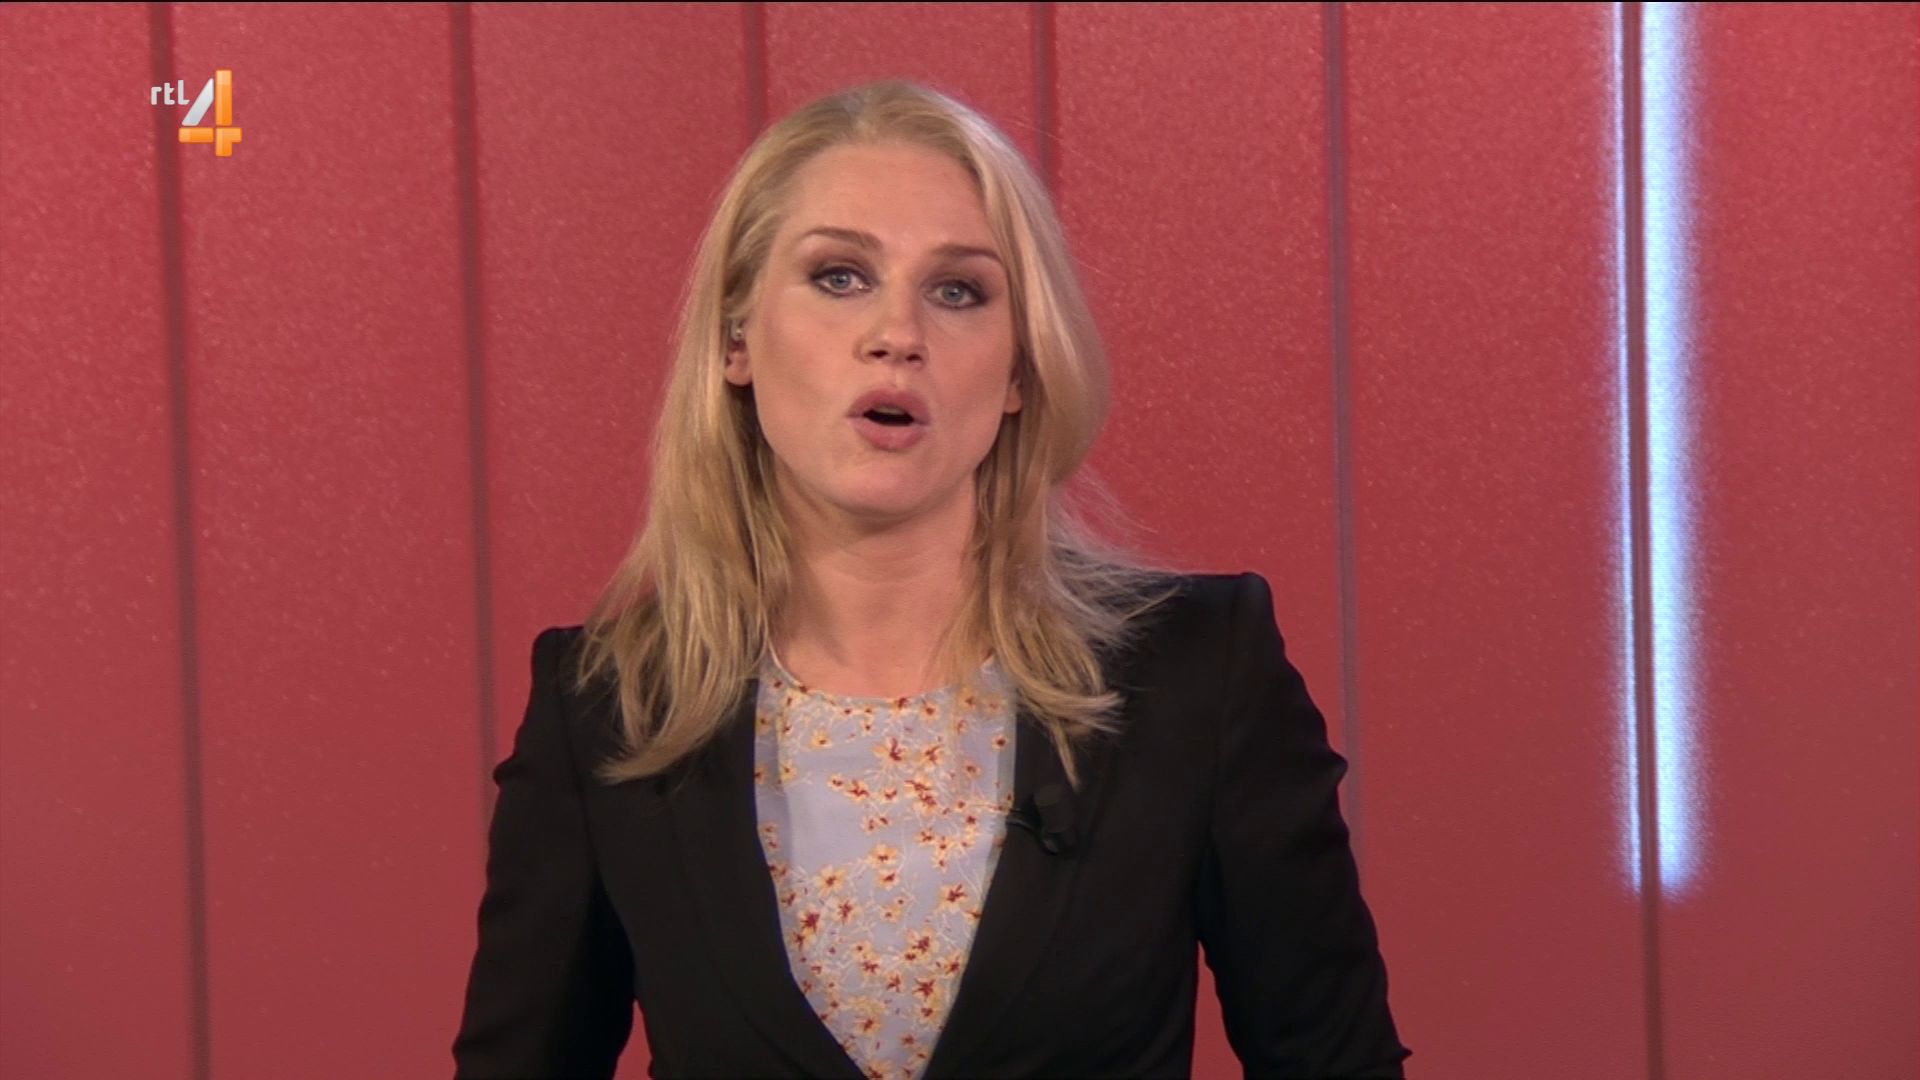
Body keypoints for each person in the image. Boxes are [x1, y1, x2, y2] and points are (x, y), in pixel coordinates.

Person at [451, 79, 1410, 1080]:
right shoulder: (607, 709)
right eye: (838, 277)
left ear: (1019, 369)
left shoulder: (1199, 673)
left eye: (958, 292)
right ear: (737, 340)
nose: (897, 332)